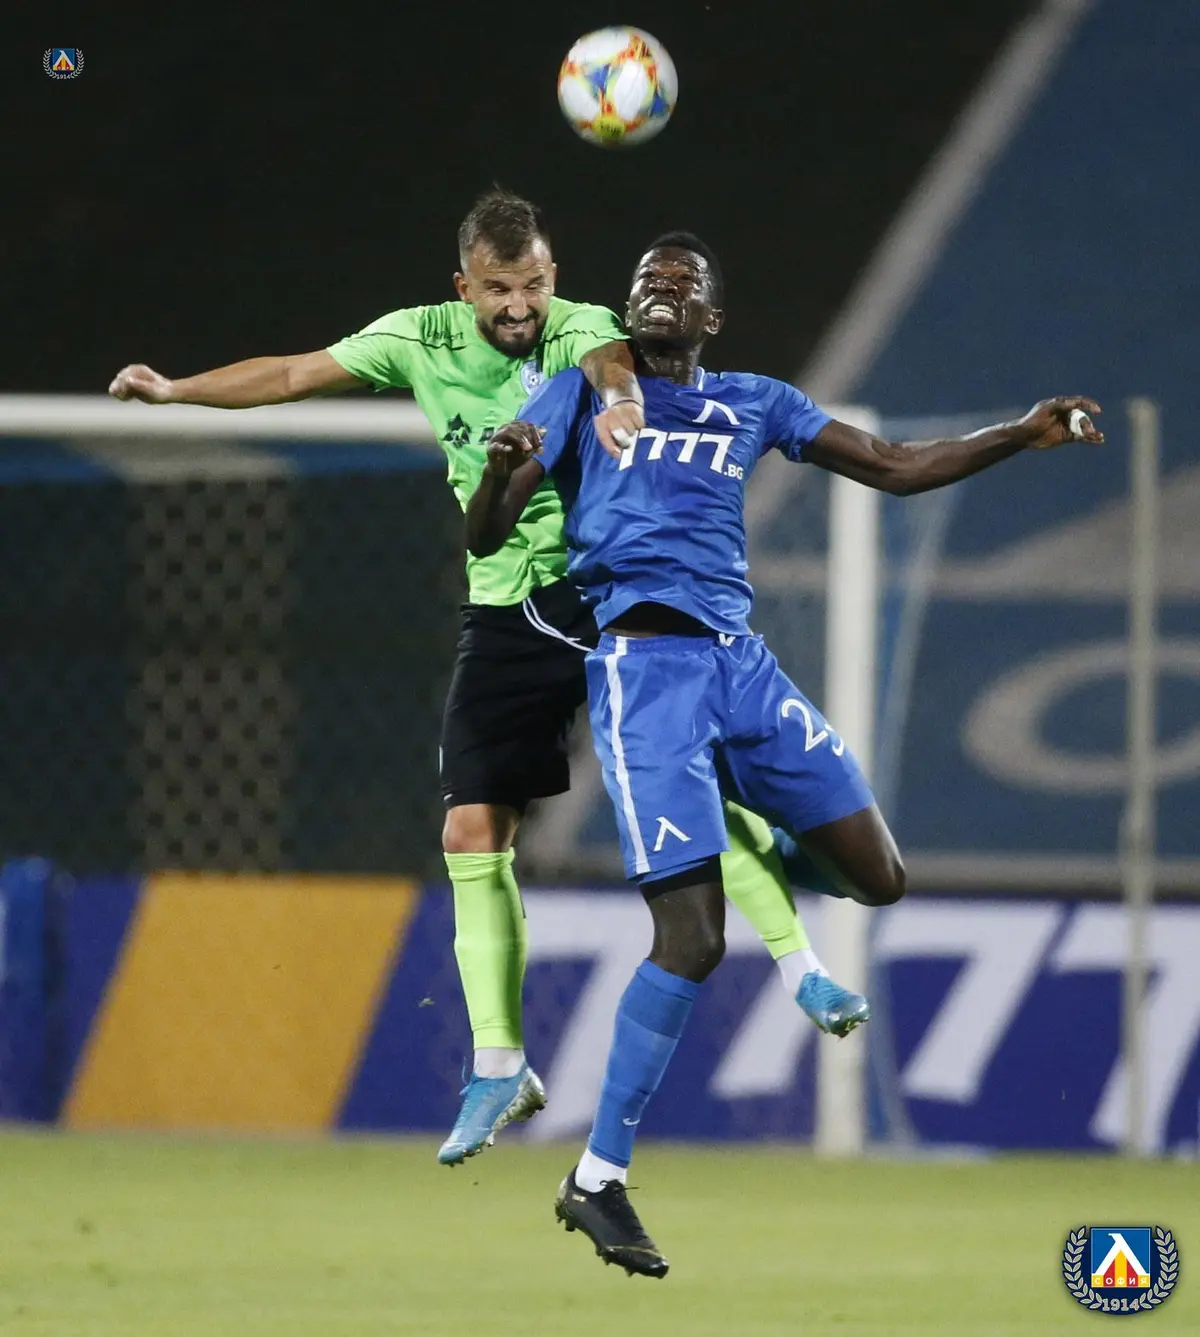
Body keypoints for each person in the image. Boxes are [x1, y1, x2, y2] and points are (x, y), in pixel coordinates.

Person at [108, 192, 865, 1171]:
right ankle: (502, 1065)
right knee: (471, 828)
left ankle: (801, 962)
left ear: (555, 278)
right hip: (507, 608)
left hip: (606, 590)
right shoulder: (416, 339)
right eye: (501, 289)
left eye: (535, 285)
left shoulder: (585, 327)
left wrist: (622, 398)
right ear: (463, 286)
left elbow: (611, 358)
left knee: (690, 778)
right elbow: (294, 372)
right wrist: (175, 391)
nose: (520, 306)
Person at [467, 230, 1103, 1277]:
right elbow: (485, 534)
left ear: (712, 318)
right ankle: (597, 1176)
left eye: (685, 281)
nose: (664, 286)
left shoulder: (756, 401)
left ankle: (757, 831)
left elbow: (895, 465)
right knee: (693, 937)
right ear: (628, 308)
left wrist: (1020, 433)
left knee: (879, 876)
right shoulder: (582, 391)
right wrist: (501, 473)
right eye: (648, 278)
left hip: (743, 669)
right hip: (646, 677)